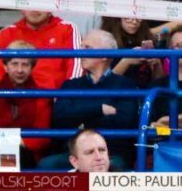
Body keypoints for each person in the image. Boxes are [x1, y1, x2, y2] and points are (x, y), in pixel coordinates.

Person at [47, 30, 138, 169]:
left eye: (87, 47)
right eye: (81, 47)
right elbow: (59, 117)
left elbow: (124, 121)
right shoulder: (70, 85)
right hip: (73, 154)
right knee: (47, 165)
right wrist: (100, 109)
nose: (81, 52)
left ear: (104, 55)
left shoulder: (126, 85)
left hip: (111, 154)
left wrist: (80, 117)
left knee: (117, 166)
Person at [0, 40, 51, 165]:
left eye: (25, 65)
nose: (20, 70)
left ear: (32, 68)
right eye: (14, 64)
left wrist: (10, 142)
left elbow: (42, 139)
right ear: (5, 67)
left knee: (16, 155)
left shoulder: (42, 96)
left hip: (24, 153)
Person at [0, 10, 82, 90]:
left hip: (57, 100)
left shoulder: (68, 29)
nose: (35, 9)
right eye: (31, 3)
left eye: (41, 3)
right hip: (13, 101)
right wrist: (8, 99)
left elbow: (76, 69)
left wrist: (64, 99)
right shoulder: (5, 34)